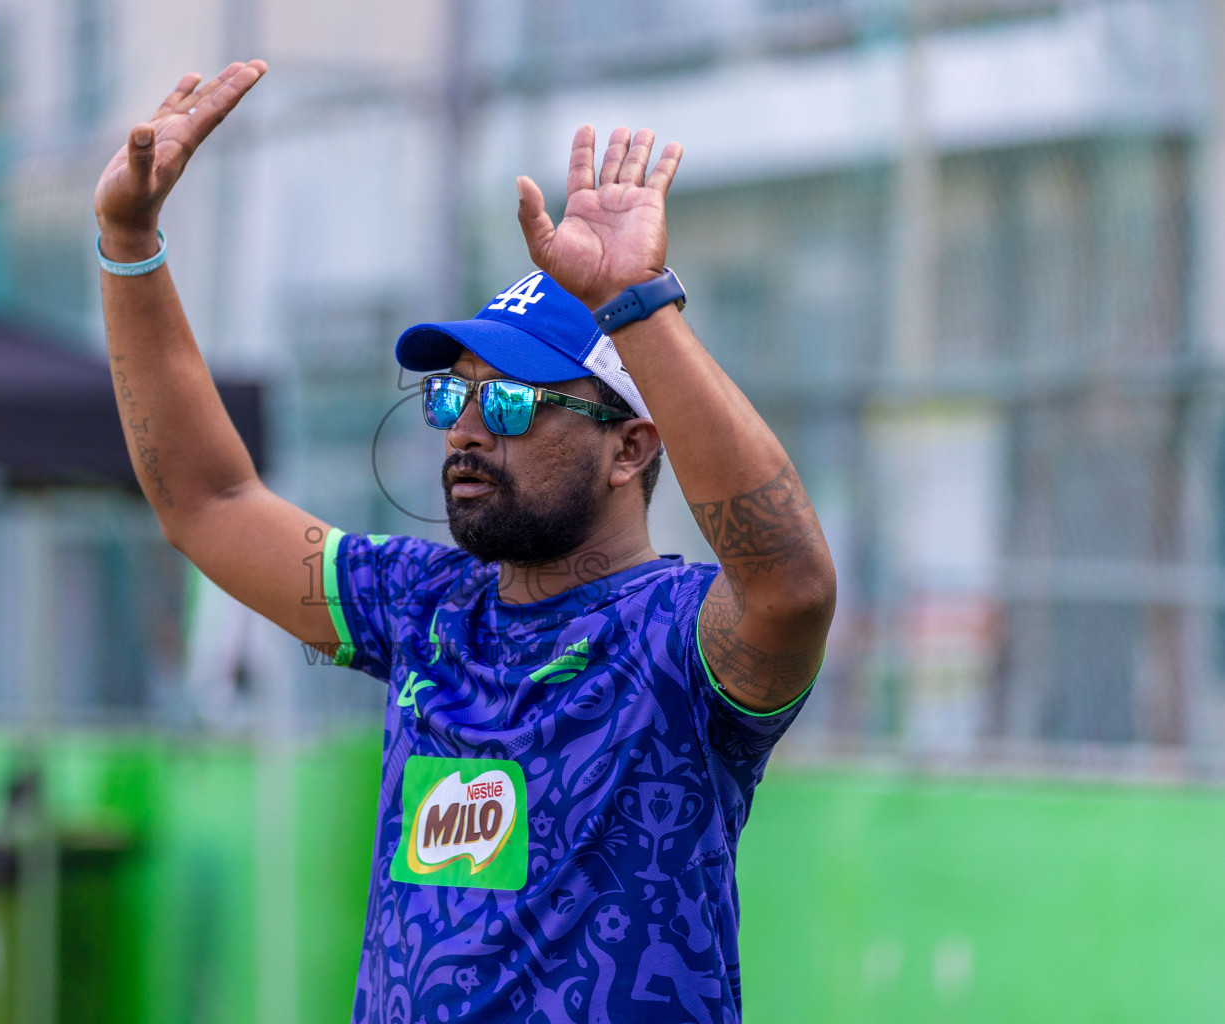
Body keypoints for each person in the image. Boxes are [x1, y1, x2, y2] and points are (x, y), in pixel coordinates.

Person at [94, 61, 836, 1024]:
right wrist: (128, 243)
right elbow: (208, 501)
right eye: (453, 392)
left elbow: (793, 589)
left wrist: (637, 305)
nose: (466, 428)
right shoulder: (423, 607)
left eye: (514, 398)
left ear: (631, 449)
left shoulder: (678, 639)